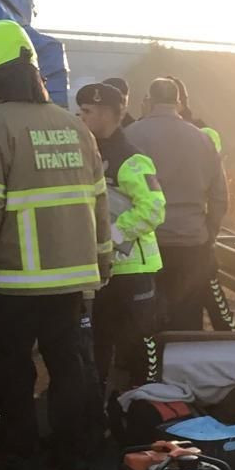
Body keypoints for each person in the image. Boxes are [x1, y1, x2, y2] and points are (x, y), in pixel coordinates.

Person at [0, 20, 111, 470]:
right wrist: (102, 260)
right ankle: (73, 451)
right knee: (69, 367)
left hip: (15, 282)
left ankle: (19, 454)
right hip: (72, 280)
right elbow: (99, 205)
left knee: (13, 370)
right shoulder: (75, 128)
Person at [128, 76, 235, 331]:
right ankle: (184, 368)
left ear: (148, 101)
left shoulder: (130, 136)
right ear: (178, 102)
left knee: (147, 320)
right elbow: (220, 197)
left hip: (146, 244)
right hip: (192, 244)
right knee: (187, 317)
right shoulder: (203, 139)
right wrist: (209, 232)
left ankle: (146, 369)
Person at [75, 81, 165, 389]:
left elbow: (154, 208)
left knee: (141, 348)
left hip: (134, 271)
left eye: (86, 111)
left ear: (104, 113)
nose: (80, 116)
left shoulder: (131, 158)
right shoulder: (85, 151)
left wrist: (112, 235)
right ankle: (97, 413)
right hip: (100, 271)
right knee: (98, 342)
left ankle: (145, 407)